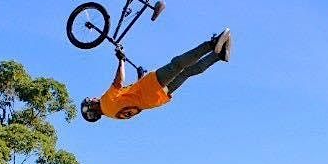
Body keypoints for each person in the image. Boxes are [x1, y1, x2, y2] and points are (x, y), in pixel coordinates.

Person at [80, 30, 233, 122]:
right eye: (91, 101)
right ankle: (211, 45)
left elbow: (133, 99)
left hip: (154, 100)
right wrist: (121, 60)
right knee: (178, 64)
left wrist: (139, 78)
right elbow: (118, 82)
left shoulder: (112, 113)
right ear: (92, 108)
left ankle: (218, 56)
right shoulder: (106, 103)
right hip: (150, 88)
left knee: (186, 72)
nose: (93, 98)